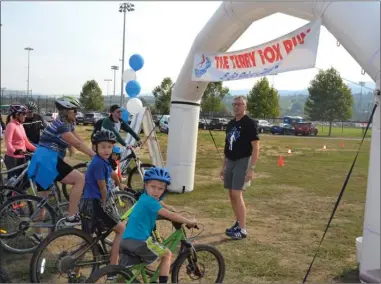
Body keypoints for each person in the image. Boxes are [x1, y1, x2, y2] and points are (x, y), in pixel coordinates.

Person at [119, 167, 196, 284]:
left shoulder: (144, 197)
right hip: (140, 240)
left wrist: (168, 207)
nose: (156, 191)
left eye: (160, 188)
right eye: (153, 187)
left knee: (129, 270)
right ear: (146, 185)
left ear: (164, 189)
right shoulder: (150, 202)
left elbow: (159, 203)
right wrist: (188, 221)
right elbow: (169, 215)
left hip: (126, 239)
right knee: (167, 255)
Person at [28, 96, 96, 226]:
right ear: (66, 111)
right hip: (48, 160)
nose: (77, 113)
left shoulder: (67, 123)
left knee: (43, 200)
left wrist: (93, 151)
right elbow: (76, 143)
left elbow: (79, 140)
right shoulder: (61, 126)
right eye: (74, 110)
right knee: (80, 179)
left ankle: (37, 234)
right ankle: (71, 217)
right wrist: (94, 155)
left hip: (42, 159)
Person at [79, 130, 126, 280]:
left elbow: (113, 174)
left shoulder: (103, 161)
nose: (106, 150)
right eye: (103, 147)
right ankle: (113, 270)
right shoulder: (99, 163)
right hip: (95, 204)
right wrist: (105, 204)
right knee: (121, 230)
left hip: (87, 202)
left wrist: (120, 184)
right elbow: (103, 188)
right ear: (95, 148)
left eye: (109, 147)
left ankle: (75, 269)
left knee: (88, 238)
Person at [220, 96, 260, 240]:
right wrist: (223, 166)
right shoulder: (231, 124)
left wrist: (251, 168)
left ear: (245, 106)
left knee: (237, 194)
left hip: (243, 160)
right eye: (235, 104)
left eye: (240, 104)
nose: (237, 106)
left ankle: (242, 229)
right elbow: (227, 147)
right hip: (230, 160)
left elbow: (256, 147)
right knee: (231, 194)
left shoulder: (249, 123)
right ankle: (238, 222)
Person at [4, 104, 36, 181]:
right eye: (23, 114)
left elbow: (26, 142)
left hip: (22, 156)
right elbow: (8, 143)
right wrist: (16, 152)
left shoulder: (20, 125)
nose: (25, 116)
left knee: (23, 182)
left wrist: (37, 149)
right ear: (17, 115)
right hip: (13, 158)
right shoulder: (11, 125)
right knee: (13, 182)